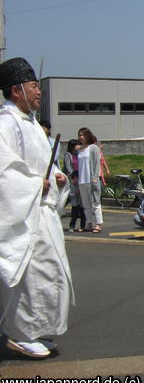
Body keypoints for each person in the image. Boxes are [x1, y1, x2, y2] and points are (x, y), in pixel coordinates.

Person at [0, 57, 73, 358]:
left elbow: (46, 164)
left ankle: (38, 329)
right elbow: (4, 172)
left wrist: (57, 176)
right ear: (16, 90)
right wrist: (34, 185)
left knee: (49, 272)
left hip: (41, 213)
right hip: (25, 213)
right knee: (28, 275)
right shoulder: (6, 123)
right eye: (33, 86)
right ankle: (21, 333)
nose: (38, 91)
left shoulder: (31, 124)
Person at [77, 127, 103, 233]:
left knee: (95, 202)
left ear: (88, 136)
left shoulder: (93, 148)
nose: (81, 137)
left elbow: (97, 163)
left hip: (91, 179)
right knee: (86, 204)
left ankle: (98, 223)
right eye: (79, 135)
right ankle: (89, 223)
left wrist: (95, 177)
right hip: (81, 180)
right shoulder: (79, 149)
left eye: (83, 135)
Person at [63, 139, 86, 232]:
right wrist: (74, 177)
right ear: (73, 146)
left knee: (82, 204)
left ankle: (82, 225)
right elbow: (68, 168)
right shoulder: (68, 155)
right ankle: (72, 225)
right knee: (75, 203)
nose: (79, 146)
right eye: (77, 145)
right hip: (73, 180)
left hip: (81, 180)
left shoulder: (80, 155)